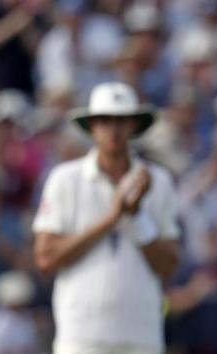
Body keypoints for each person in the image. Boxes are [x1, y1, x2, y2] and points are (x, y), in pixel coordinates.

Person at [32, 82, 180, 354]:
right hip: (81, 337)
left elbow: (168, 265)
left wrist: (136, 215)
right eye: (105, 120)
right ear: (92, 126)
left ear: (134, 125)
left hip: (141, 336)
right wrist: (111, 218)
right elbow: (45, 258)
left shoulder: (159, 181)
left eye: (121, 120)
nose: (113, 129)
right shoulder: (65, 179)